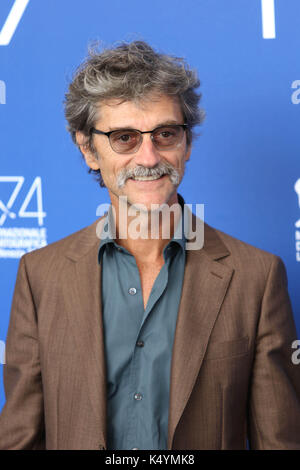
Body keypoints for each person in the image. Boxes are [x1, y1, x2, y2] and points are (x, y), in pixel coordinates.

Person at [0, 40, 299, 450]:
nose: (148, 156)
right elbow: (19, 440)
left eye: (164, 134)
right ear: (88, 149)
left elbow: (278, 442)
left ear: (187, 144)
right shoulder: (40, 276)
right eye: (124, 137)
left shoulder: (257, 278)